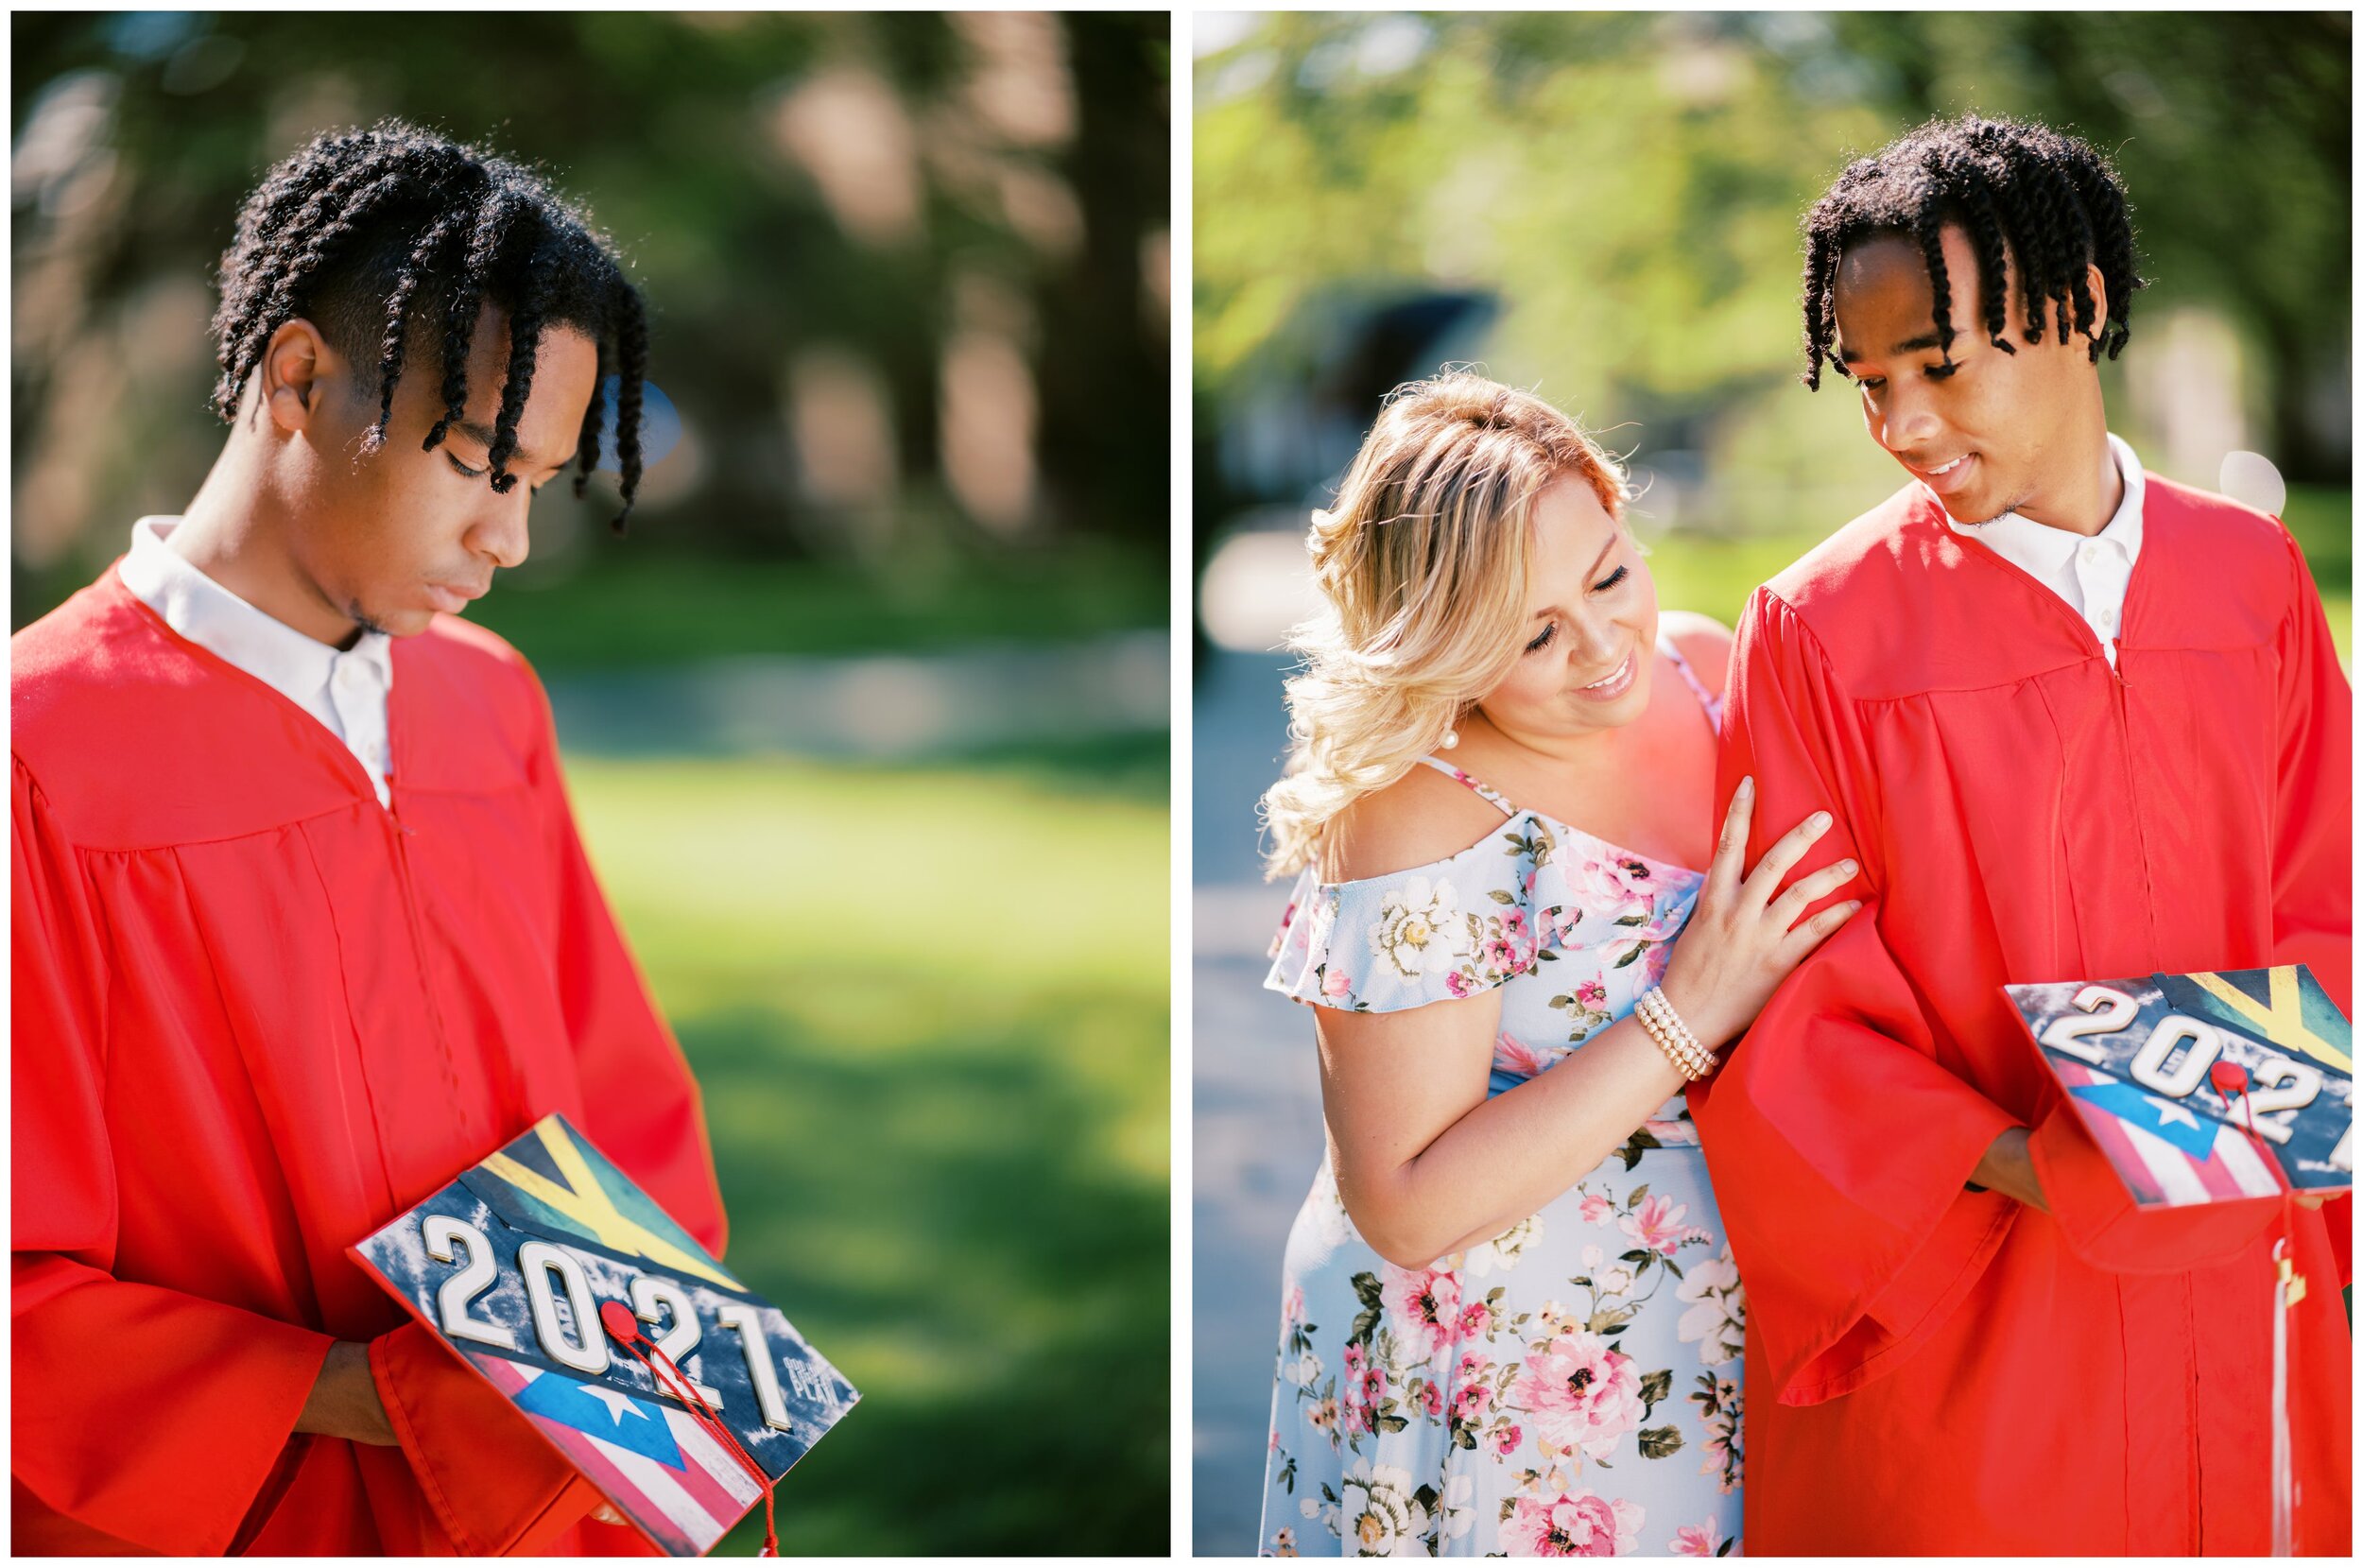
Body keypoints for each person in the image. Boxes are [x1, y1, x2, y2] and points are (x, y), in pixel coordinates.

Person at [12, 123, 722, 1554]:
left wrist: (626, 1376)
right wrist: (382, 1396)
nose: (509, 538)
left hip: (545, 1501)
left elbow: (625, 1109)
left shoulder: (488, 705)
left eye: (538, 479)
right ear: (296, 378)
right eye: (476, 462)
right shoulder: (39, 752)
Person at [1690, 115, 2352, 1554]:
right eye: (1869, 383)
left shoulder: (2252, 577)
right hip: (1980, 1294)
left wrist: (2229, 1115)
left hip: (2239, 1264)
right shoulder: (1822, 628)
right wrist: (2032, 1159)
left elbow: (2330, 889)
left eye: (1941, 364)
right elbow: (1797, 1001)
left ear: (2085, 306)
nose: (1904, 424)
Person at [1253, 373, 1858, 1557]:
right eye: (1533, 635)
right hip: (1495, 1380)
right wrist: (1689, 1010)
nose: (1600, 651)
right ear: (1448, 649)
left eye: (1609, 575)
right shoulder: (1417, 813)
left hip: (1716, 1337)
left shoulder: (1706, 666)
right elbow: (1404, 1205)